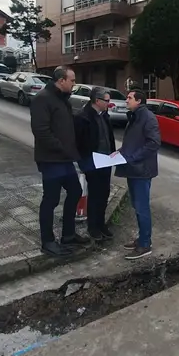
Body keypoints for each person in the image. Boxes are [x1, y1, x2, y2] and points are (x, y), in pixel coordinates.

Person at [29, 65, 88, 256]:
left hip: (65, 159)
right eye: (72, 80)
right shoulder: (43, 99)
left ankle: (68, 235)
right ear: (61, 80)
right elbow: (41, 131)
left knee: (75, 190)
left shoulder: (63, 100)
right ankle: (47, 242)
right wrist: (62, 148)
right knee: (51, 199)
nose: (74, 84)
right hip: (51, 159)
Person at [112, 89, 160, 260]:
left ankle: (145, 244)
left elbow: (153, 143)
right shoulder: (135, 116)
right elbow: (132, 143)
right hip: (133, 169)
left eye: (129, 98)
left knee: (142, 208)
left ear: (139, 101)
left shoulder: (147, 117)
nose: (126, 100)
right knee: (137, 206)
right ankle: (142, 239)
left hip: (141, 170)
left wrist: (132, 158)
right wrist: (119, 153)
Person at [75, 86, 116, 241]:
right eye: (106, 100)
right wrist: (84, 162)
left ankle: (101, 223)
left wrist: (113, 153)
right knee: (94, 195)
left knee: (104, 193)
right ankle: (93, 227)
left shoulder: (104, 115)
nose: (109, 103)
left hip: (106, 161)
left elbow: (109, 136)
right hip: (92, 163)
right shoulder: (83, 117)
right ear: (97, 101)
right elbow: (78, 143)